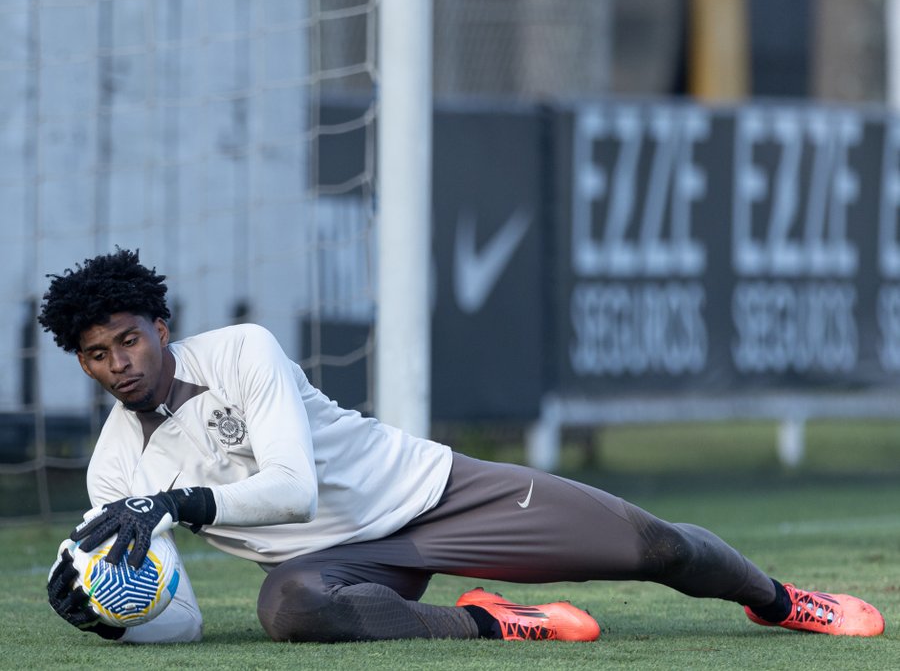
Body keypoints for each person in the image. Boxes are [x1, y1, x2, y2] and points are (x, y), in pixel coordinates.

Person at [41, 248, 884, 644]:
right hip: (340, 565)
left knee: (651, 545)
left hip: (436, 495)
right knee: (289, 611)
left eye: (127, 340)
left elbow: (293, 488)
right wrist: (110, 616)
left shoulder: (242, 351)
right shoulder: (116, 469)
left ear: (161, 325)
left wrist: (180, 503)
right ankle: (485, 621)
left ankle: (779, 601)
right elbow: (177, 618)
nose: (118, 365)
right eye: (96, 355)